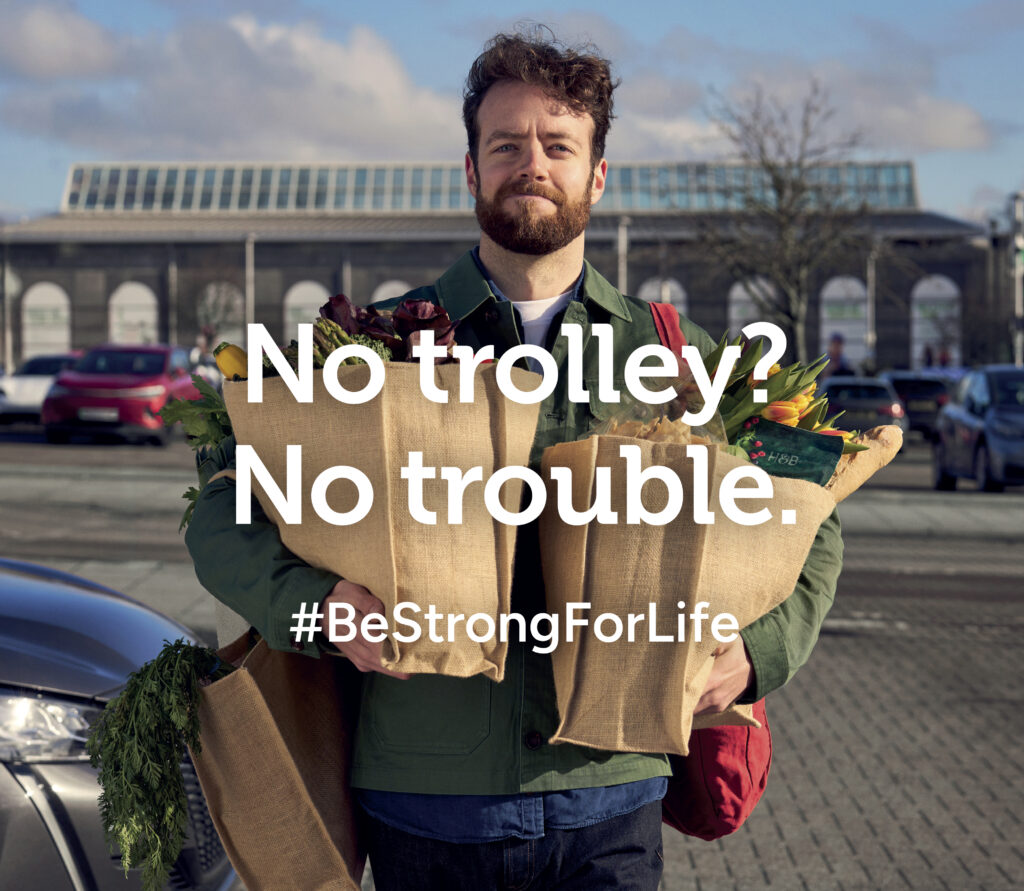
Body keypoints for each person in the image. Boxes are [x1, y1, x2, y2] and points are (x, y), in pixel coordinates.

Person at [185, 30, 843, 890]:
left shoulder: (682, 361)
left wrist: (758, 652)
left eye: (559, 145)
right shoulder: (370, 349)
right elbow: (223, 500)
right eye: (506, 145)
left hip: (610, 796)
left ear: (597, 175)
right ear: (470, 169)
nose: (531, 163)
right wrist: (315, 607)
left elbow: (813, 512)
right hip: (425, 800)